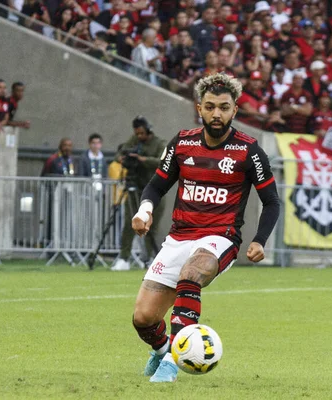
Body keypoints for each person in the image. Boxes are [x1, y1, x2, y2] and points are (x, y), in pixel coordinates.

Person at [129, 74, 279, 383]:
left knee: (192, 274)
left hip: (219, 238)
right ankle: (161, 350)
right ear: (200, 108)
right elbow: (156, 187)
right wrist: (144, 212)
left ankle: (172, 362)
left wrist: (260, 240)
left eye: (224, 108)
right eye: (210, 107)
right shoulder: (182, 143)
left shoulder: (249, 151)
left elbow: (272, 201)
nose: (216, 114)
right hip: (179, 237)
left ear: (234, 110)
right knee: (143, 318)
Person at [112, 116, 165, 271]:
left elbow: (162, 161)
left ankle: (147, 258)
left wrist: (143, 159)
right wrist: (122, 158)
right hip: (135, 186)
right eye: (137, 133)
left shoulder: (159, 143)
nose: (139, 136)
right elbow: (120, 154)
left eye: (142, 133)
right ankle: (124, 258)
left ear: (148, 131)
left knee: (151, 225)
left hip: (154, 189)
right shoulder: (133, 140)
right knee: (130, 222)